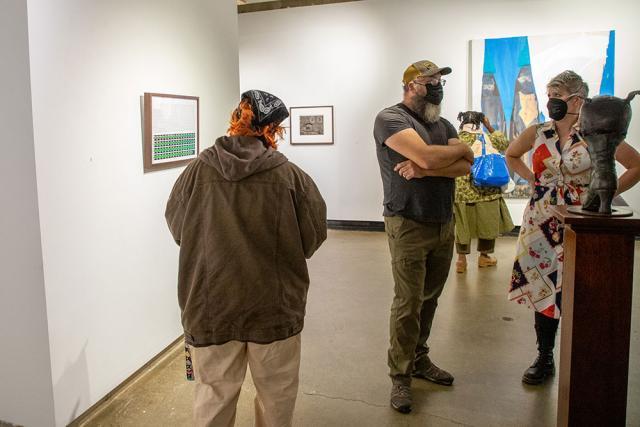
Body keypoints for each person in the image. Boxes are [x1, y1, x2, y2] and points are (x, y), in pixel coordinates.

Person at [165, 89, 327, 426]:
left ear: (235, 120)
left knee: (213, 397)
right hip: (275, 309)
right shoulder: (290, 177)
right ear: (273, 131)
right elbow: (312, 238)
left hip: (210, 309)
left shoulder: (196, 173)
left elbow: (178, 229)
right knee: (276, 399)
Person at [506, 70, 640, 385]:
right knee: (543, 289)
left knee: (582, 287)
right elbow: (511, 154)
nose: (550, 100)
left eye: (556, 94)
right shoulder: (539, 131)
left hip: (582, 221)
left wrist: (606, 192)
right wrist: (533, 180)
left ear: (577, 99)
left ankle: (586, 356)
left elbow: (636, 165)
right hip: (540, 221)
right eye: (548, 94)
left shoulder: (597, 133)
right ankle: (544, 356)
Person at [373, 60, 474, 414]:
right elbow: (431, 156)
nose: (436, 85)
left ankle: (419, 359)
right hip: (407, 222)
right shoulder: (391, 119)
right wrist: (438, 158)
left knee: (430, 298)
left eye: (440, 80)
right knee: (408, 302)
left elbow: (467, 163)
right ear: (410, 85)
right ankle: (400, 377)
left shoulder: (442, 123)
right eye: (429, 80)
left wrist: (427, 166)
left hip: (444, 222)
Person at [454, 111, 514, 273]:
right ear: (480, 122)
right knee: (488, 223)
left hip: (462, 190)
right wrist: (489, 126)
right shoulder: (488, 138)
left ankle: (461, 260)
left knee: (462, 225)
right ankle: (484, 256)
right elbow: (504, 143)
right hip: (487, 188)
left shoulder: (456, 139)